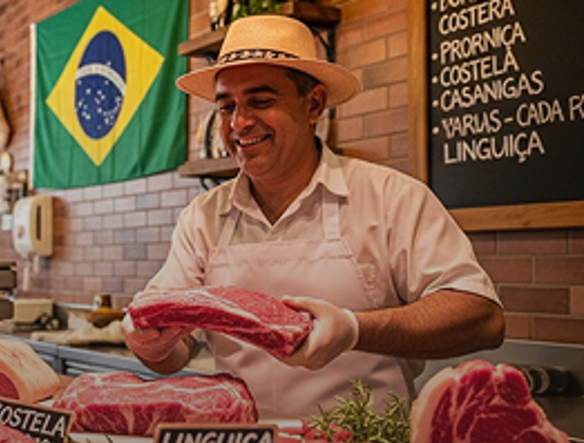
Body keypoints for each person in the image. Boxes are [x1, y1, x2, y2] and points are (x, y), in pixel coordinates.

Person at [123, 15, 504, 417]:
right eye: (226, 107)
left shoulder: (391, 197)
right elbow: (173, 351)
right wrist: (153, 346)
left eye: (260, 101)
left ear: (314, 105)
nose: (238, 123)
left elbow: (482, 318)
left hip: (364, 440)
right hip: (247, 441)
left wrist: (354, 330)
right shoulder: (202, 218)